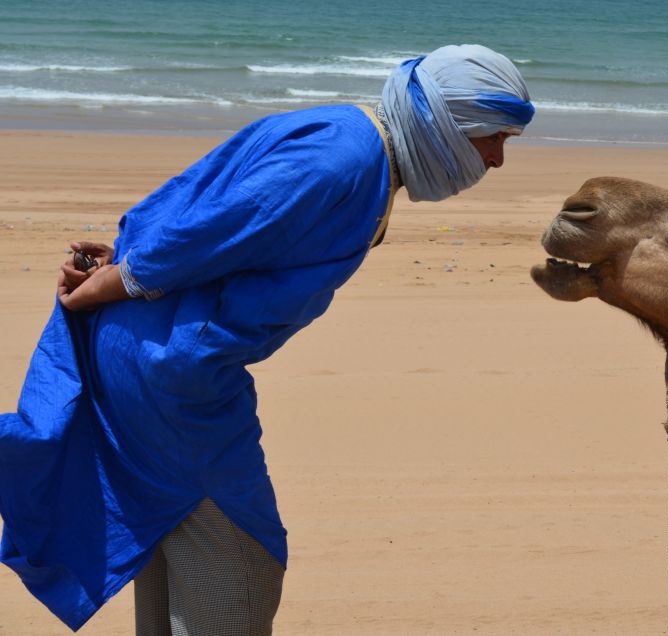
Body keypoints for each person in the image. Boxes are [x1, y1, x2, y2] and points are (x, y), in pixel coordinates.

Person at [0, 44, 534, 634]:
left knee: (172, 534)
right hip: (172, 378)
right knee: (244, 568)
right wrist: (117, 279)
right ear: (442, 120)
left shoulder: (346, 133)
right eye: (495, 138)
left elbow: (208, 200)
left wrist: (127, 260)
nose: (496, 160)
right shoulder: (344, 162)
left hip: (147, 352)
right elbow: (222, 223)